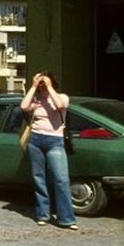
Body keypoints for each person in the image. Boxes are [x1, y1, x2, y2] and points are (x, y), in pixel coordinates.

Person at [20, 71, 77, 230]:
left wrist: (49, 86)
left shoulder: (62, 97)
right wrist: (33, 86)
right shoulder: (36, 99)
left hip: (55, 141)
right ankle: (43, 214)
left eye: (44, 82)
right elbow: (24, 106)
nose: (42, 86)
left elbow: (60, 105)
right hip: (36, 140)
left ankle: (66, 218)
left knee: (61, 179)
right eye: (40, 84)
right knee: (39, 178)